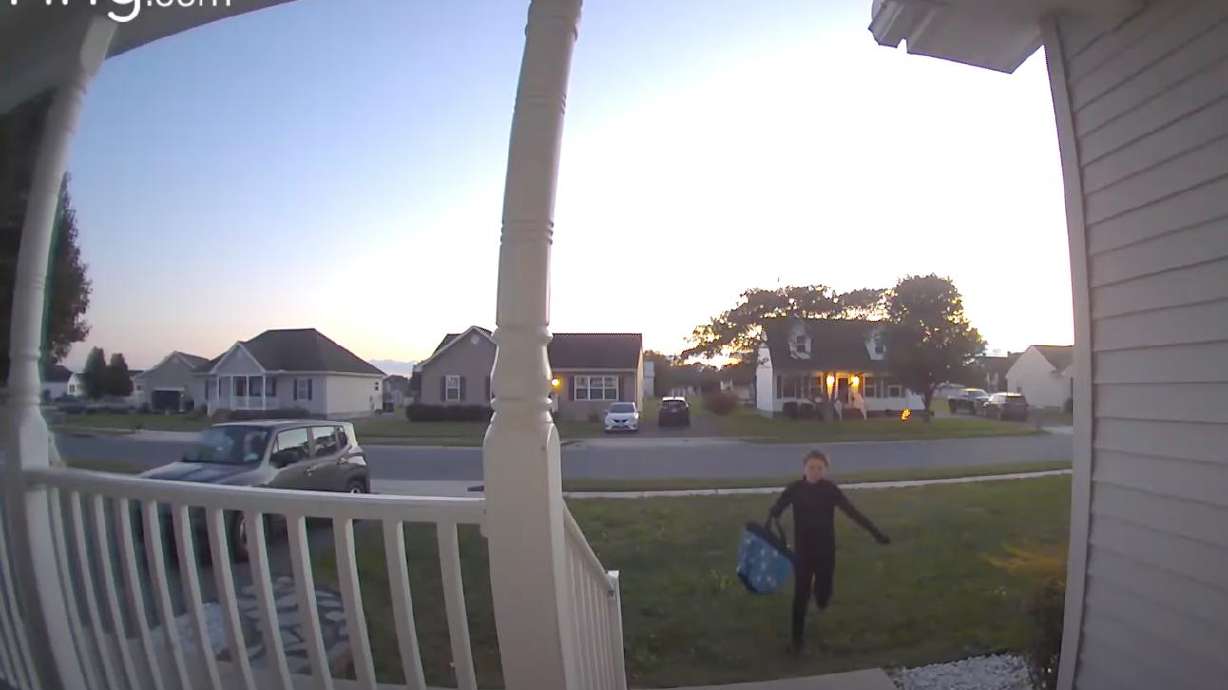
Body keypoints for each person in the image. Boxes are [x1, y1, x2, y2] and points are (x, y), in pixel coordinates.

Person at [768, 449, 890, 653]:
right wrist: (774, 513)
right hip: (803, 552)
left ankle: (821, 596)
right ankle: (797, 642)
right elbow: (778, 509)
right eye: (811, 467)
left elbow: (853, 513)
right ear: (804, 468)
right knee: (800, 595)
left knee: (823, 595)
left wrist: (876, 533)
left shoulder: (830, 490)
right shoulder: (795, 489)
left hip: (826, 550)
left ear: (825, 470)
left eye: (819, 468)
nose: (815, 471)